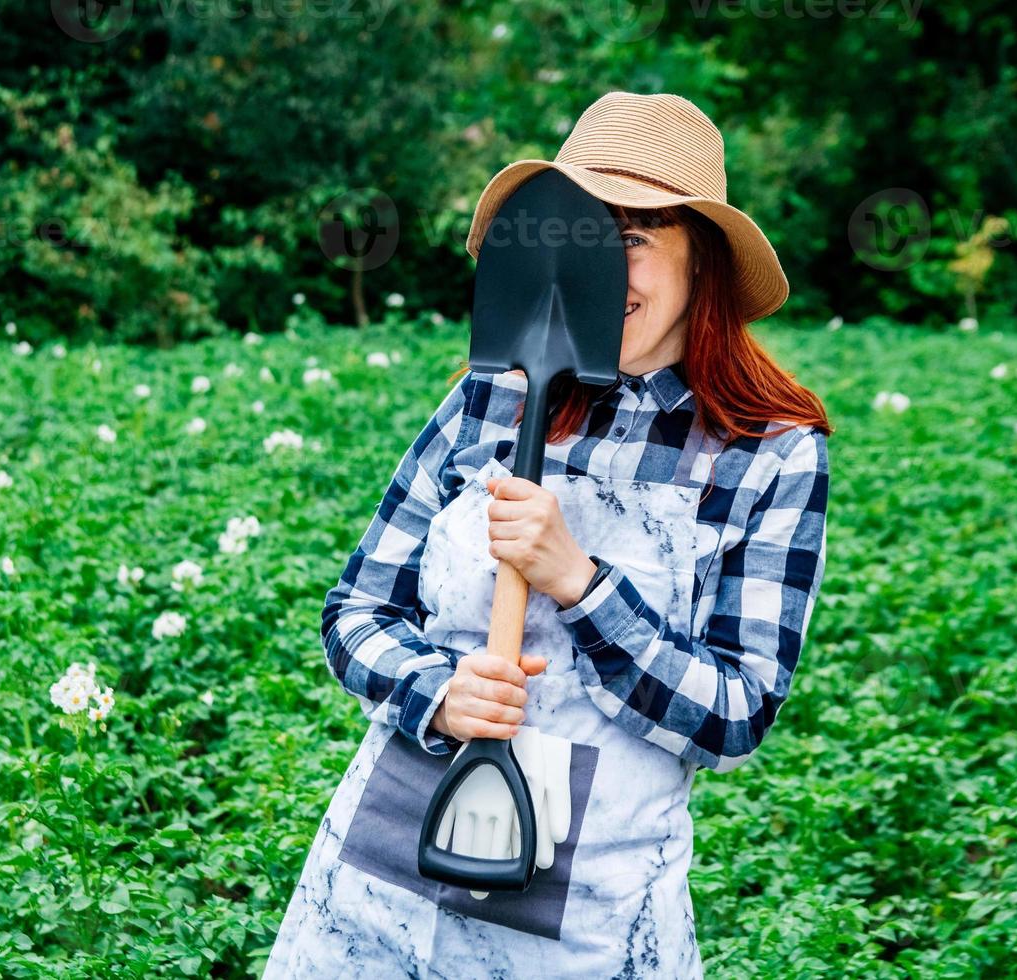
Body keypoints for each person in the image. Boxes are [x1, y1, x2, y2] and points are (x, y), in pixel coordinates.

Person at [263, 91, 834, 979]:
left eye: (634, 237)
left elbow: (736, 713)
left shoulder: (768, 452)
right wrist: (437, 691)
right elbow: (356, 613)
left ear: (704, 263)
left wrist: (583, 584)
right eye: (582, 233)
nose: (601, 267)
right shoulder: (485, 397)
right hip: (381, 885)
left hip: (586, 924)